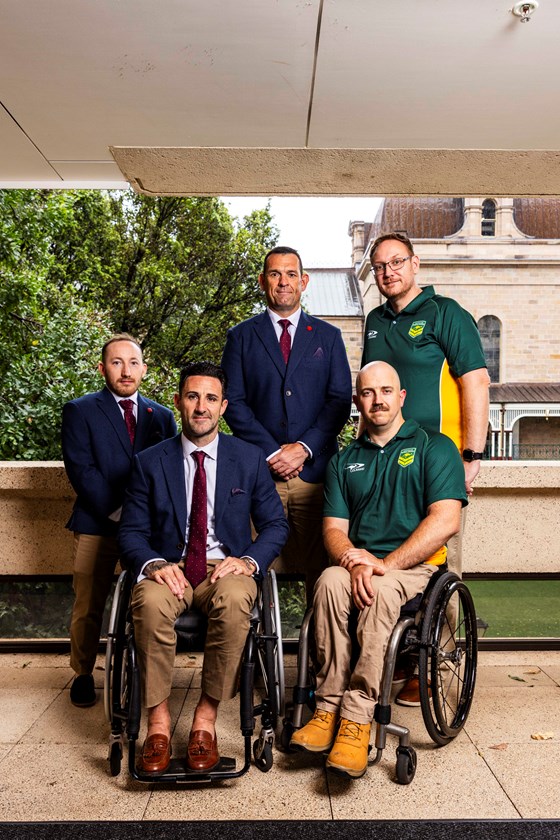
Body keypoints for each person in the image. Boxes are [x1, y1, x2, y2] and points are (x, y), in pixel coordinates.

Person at [290, 361, 467, 779]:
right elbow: (334, 529)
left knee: (381, 591)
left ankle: (357, 717)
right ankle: (327, 707)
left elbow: (446, 520)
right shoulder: (344, 461)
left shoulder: (434, 447)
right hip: (358, 564)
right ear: (357, 401)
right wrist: (353, 559)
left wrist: (383, 565)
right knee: (328, 582)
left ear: (401, 396)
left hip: (415, 569)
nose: (378, 400)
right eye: (368, 393)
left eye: (386, 391)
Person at [118, 361, 289, 774]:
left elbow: (275, 525)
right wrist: (154, 563)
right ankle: (158, 724)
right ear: (179, 401)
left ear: (223, 406)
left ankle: (205, 719)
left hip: (224, 568)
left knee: (235, 600)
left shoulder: (248, 459)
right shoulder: (149, 462)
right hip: (170, 567)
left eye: (211, 398)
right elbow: (130, 533)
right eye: (193, 397)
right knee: (148, 603)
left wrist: (248, 560)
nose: (201, 407)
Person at [361, 232, 489, 705]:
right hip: (385, 462)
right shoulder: (375, 321)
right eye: (379, 266)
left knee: (439, 564)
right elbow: (369, 392)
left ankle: (435, 666)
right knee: (388, 554)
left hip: (438, 462)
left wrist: (470, 456)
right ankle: (398, 657)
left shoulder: (445, 313)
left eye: (397, 262)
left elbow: (476, 380)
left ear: (415, 264)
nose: (388, 272)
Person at [221, 246, 352, 598]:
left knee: (322, 570)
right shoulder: (240, 337)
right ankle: (254, 633)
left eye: (291, 274)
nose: (283, 282)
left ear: (303, 281)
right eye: (275, 274)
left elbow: (339, 401)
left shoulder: (328, 336)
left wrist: (304, 448)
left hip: (314, 473)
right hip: (261, 474)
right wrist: (272, 453)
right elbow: (233, 403)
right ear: (262, 281)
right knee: (251, 564)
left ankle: (318, 634)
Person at [62, 334, 177, 708]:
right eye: (116, 362)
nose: (126, 370)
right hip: (97, 524)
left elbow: (173, 472)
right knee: (88, 603)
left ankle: (142, 673)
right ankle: (82, 673)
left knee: (145, 602)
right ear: (102, 368)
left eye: (133, 362)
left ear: (144, 369)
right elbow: (82, 471)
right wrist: (124, 515)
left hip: (147, 533)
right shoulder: (80, 411)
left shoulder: (162, 416)